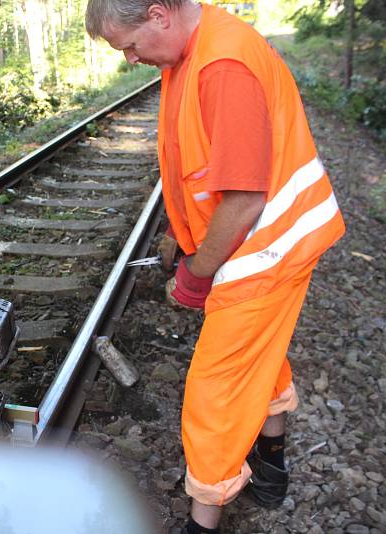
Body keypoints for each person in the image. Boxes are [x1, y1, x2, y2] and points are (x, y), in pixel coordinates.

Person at [85, 1, 344, 532]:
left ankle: (205, 519)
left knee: (215, 388)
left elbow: (245, 198)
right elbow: (206, 167)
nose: (131, 59)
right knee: (257, 353)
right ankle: (271, 462)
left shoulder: (222, 66)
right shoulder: (189, 53)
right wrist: (184, 237)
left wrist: (197, 272)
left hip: (269, 245)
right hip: (265, 241)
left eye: (129, 45)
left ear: (159, 14)